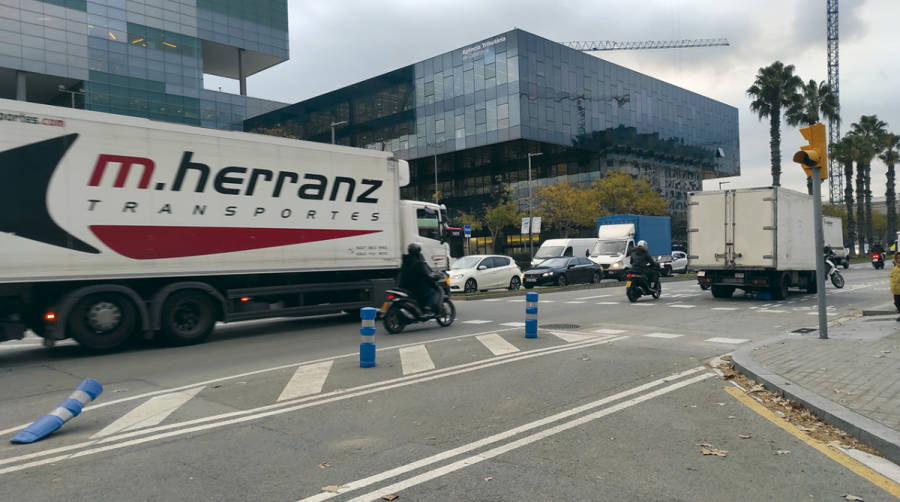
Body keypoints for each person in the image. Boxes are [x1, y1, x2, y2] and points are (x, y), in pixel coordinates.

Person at [399, 242, 437, 313]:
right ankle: (427, 308)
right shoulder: (418, 263)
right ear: (418, 252)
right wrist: (433, 284)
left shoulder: (405, 261)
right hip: (416, 289)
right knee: (432, 291)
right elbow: (425, 275)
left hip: (404, 287)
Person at [891, 253, 900, 321]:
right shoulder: (895, 268)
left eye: (899, 258)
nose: (898, 259)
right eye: (897, 258)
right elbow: (892, 277)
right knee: (896, 302)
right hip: (896, 289)